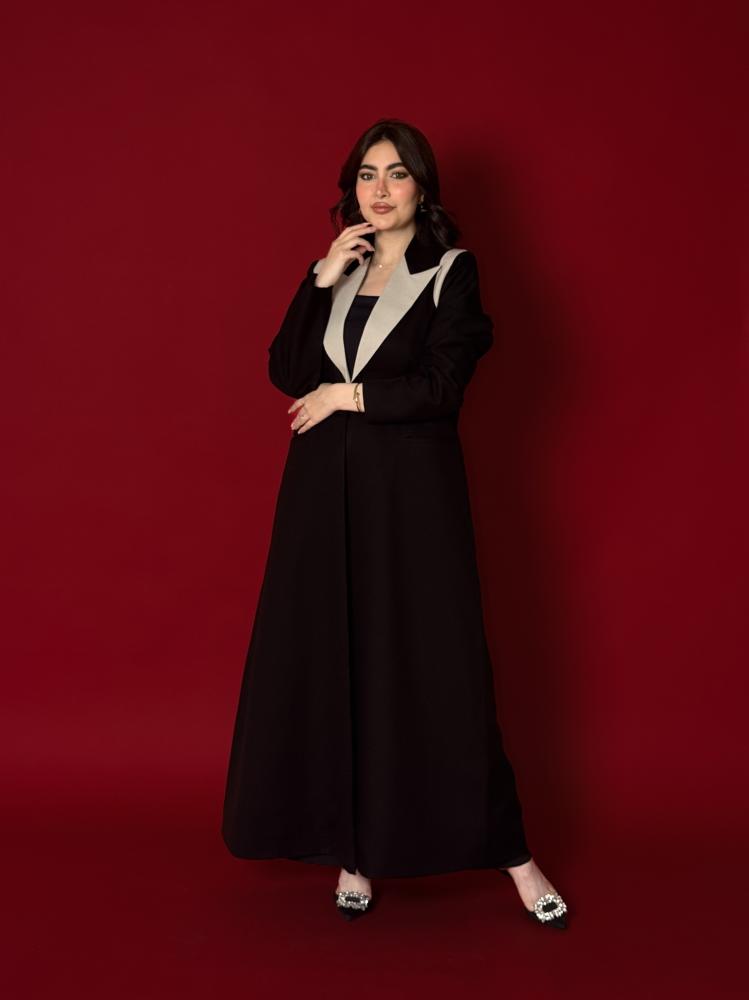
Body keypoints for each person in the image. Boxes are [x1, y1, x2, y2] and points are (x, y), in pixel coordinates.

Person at [221, 118, 570, 929]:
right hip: (321, 496)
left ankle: (514, 857)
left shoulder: (450, 270)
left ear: (422, 187)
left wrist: (346, 396)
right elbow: (286, 369)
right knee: (333, 664)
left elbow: (442, 388)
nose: (379, 191)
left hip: (411, 502)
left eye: (397, 174)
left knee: (435, 668)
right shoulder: (338, 271)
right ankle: (354, 851)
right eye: (366, 175)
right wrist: (317, 279)